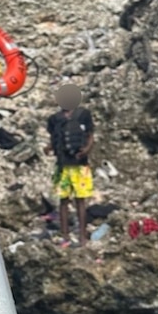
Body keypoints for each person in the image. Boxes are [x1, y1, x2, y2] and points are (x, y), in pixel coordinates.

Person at [45, 84, 95, 248]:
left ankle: (82, 235)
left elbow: (90, 136)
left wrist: (86, 150)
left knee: (80, 201)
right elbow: (54, 139)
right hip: (62, 165)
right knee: (63, 201)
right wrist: (49, 148)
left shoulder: (84, 115)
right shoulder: (54, 119)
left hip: (80, 165)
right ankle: (64, 234)